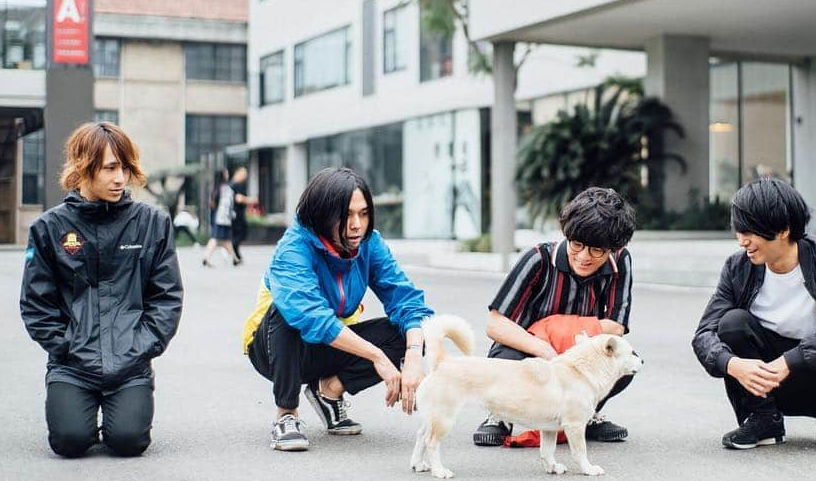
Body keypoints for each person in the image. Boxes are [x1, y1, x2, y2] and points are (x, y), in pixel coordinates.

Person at [20, 122, 183, 458]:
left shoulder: (153, 223)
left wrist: (140, 347)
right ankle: (80, 414)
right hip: (72, 365)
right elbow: (36, 303)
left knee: (128, 442)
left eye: (124, 167)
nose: (120, 178)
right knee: (68, 442)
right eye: (110, 168)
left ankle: (120, 413)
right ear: (83, 168)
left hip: (130, 364)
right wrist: (65, 346)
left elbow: (167, 297)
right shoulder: (49, 228)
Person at [241, 167, 434, 451]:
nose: (357, 224)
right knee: (287, 313)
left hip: (329, 346)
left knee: (412, 332)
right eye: (347, 215)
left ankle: (328, 392)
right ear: (322, 214)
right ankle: (286, 415)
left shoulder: (370, 243)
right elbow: (311, 317)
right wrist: (377, 356)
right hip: (274, 350)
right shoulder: (294, 247)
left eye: (364, 213)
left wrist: (414, 355)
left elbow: (405, 299)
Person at [692, 178, 816, 454]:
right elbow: (704, 333)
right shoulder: (737, 268)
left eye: (749, 232)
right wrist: (732, 364)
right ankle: (764, 419)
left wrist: (790, 361)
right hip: (764, 383)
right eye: (738, 231)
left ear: (783, 229)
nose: (742, 241)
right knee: (732, 323)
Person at [473, 187, 636, 446]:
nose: (583, 257)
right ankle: (502, 415)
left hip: (581, 350)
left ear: (612, 249)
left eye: (597, 250)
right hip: (527, 348)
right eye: (577, 244)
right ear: (567, 235)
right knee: (507, 360)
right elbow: (495, 324)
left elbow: (616, 326)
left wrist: (568, 341)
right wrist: (543, 347)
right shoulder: (538, 258)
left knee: (626, 362)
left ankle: (586, 411)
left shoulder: (621, 260)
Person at [201, 168, 239, 266]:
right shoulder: (226, 188)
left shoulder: (215, 188)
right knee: (215, 238)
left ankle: (235, 259)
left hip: (216, 217)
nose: (227, 174)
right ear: (223, 175)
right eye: (226, 172)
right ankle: (206, 256)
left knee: (226, 240)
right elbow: (228, 205)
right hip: (223, 218)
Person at [229, 166, 258, 264]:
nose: (245, 176)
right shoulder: (235, 185)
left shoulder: (235, 184)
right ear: (238, 173)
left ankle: (236, 255)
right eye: (243, 174)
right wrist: (251, 200)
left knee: (239, 234)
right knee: (239, 234)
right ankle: (233, 252)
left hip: (237, 213)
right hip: (236, 214)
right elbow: (239, 198)